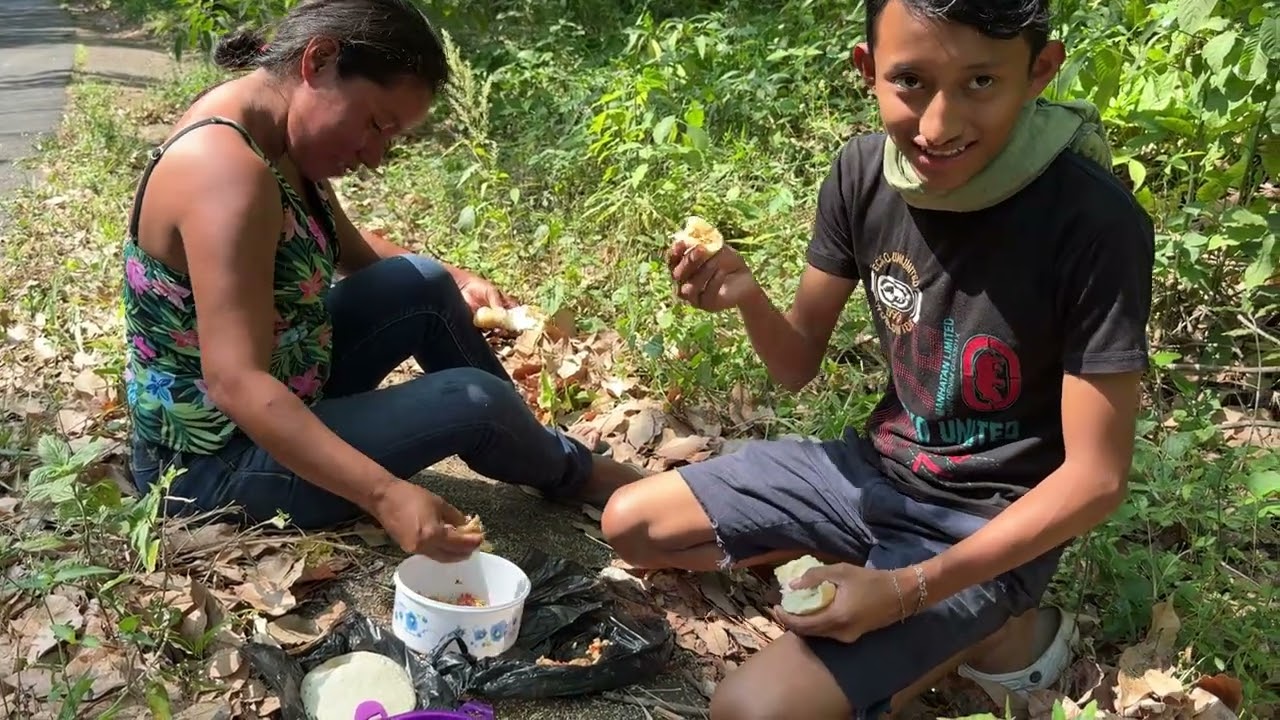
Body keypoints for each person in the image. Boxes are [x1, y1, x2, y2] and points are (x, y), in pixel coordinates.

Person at [601, 0, 1154, 717]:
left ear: (1040, 71)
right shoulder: (865, 172)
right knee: (629, 523)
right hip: (869, 474)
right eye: (911, 81)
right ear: (867, 70)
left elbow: (1097, 478)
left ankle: (1005, 629)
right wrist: (747, 298)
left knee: (753, 710)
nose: (939, 125)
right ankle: (885, 591)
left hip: (987, 522)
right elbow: (796, 364)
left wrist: (910, 589)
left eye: (982, 82)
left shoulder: (1092, 220)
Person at [123, 0, 640, 563]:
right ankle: (566, 469)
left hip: (287, 386)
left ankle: (532, 450)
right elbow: (236, 383)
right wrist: (385, 494)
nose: (374, 155)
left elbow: (346, 245)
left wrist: (456, 276)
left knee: (419, 281)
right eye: (375, 124)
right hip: (213, 466)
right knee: (477, 402)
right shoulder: (226, 171)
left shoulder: (272, 130)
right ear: (318, 61)